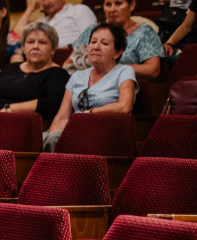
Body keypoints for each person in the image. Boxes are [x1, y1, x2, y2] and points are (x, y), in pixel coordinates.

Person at [45, 23, 137, 151]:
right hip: (73, 132)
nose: (96, 47)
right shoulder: (77, 76)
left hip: (104, 134)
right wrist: (53, 139)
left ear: (117, 52)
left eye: (104, 44)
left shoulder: (124, 71)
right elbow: (62, 117)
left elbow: (124, 106)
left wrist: (92, 113)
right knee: (39, 140)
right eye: (93, 42)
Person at [0, 21, 70, 132]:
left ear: (53, 49)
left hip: (14, 128)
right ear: (24, 48)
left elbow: (50, 104)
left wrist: (10, 109)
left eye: (42, 42)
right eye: (30, 42)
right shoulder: (10, 68)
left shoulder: (58, 74)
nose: (35, 46)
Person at [66, 0, 162, 79]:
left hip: (120, 86)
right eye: (108, 4)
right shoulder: (92, 30)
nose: (112, 9)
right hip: (84, 83)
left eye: (118, 3)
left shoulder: (144, 33)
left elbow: (153, 69)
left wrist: (113, 69)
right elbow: (68, 63)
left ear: (132, 5)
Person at [12, 0, 98, 47]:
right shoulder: (42, 21)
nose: (46, 2)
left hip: (71, 58)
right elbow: (16, 35)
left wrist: (68, 49)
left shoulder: (79, 10)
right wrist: (30, 9)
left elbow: (91, 38)